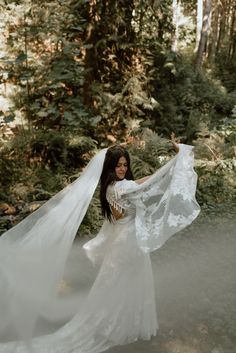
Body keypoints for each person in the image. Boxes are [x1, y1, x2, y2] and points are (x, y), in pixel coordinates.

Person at [0, 135, 200, 353]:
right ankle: (112, 327)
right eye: (118, 165)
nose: (122, 168)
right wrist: (179, 157)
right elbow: (148, 185)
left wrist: (176, 159)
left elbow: (146, 180)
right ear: (110, 167)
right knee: (121, 284)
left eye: (125, 165)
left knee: (127, 284)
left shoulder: (120, 186)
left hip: (128, 239)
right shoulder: (117, 188)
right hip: (127, 242)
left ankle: (122, 324)